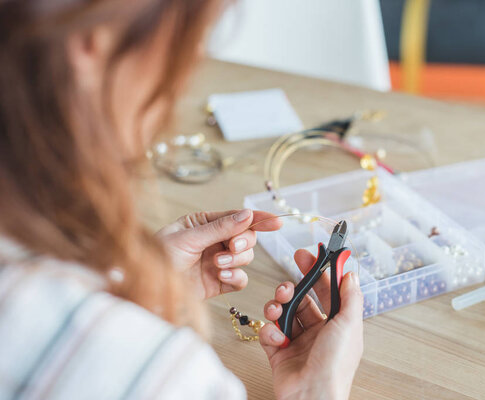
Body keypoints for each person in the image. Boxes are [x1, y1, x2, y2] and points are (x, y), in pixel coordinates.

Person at [0, 1, 364, 399]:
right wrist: (317, 390)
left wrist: (142, 285)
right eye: (191, 37)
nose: (190, 65)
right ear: (92, 44)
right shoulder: (160, 376)